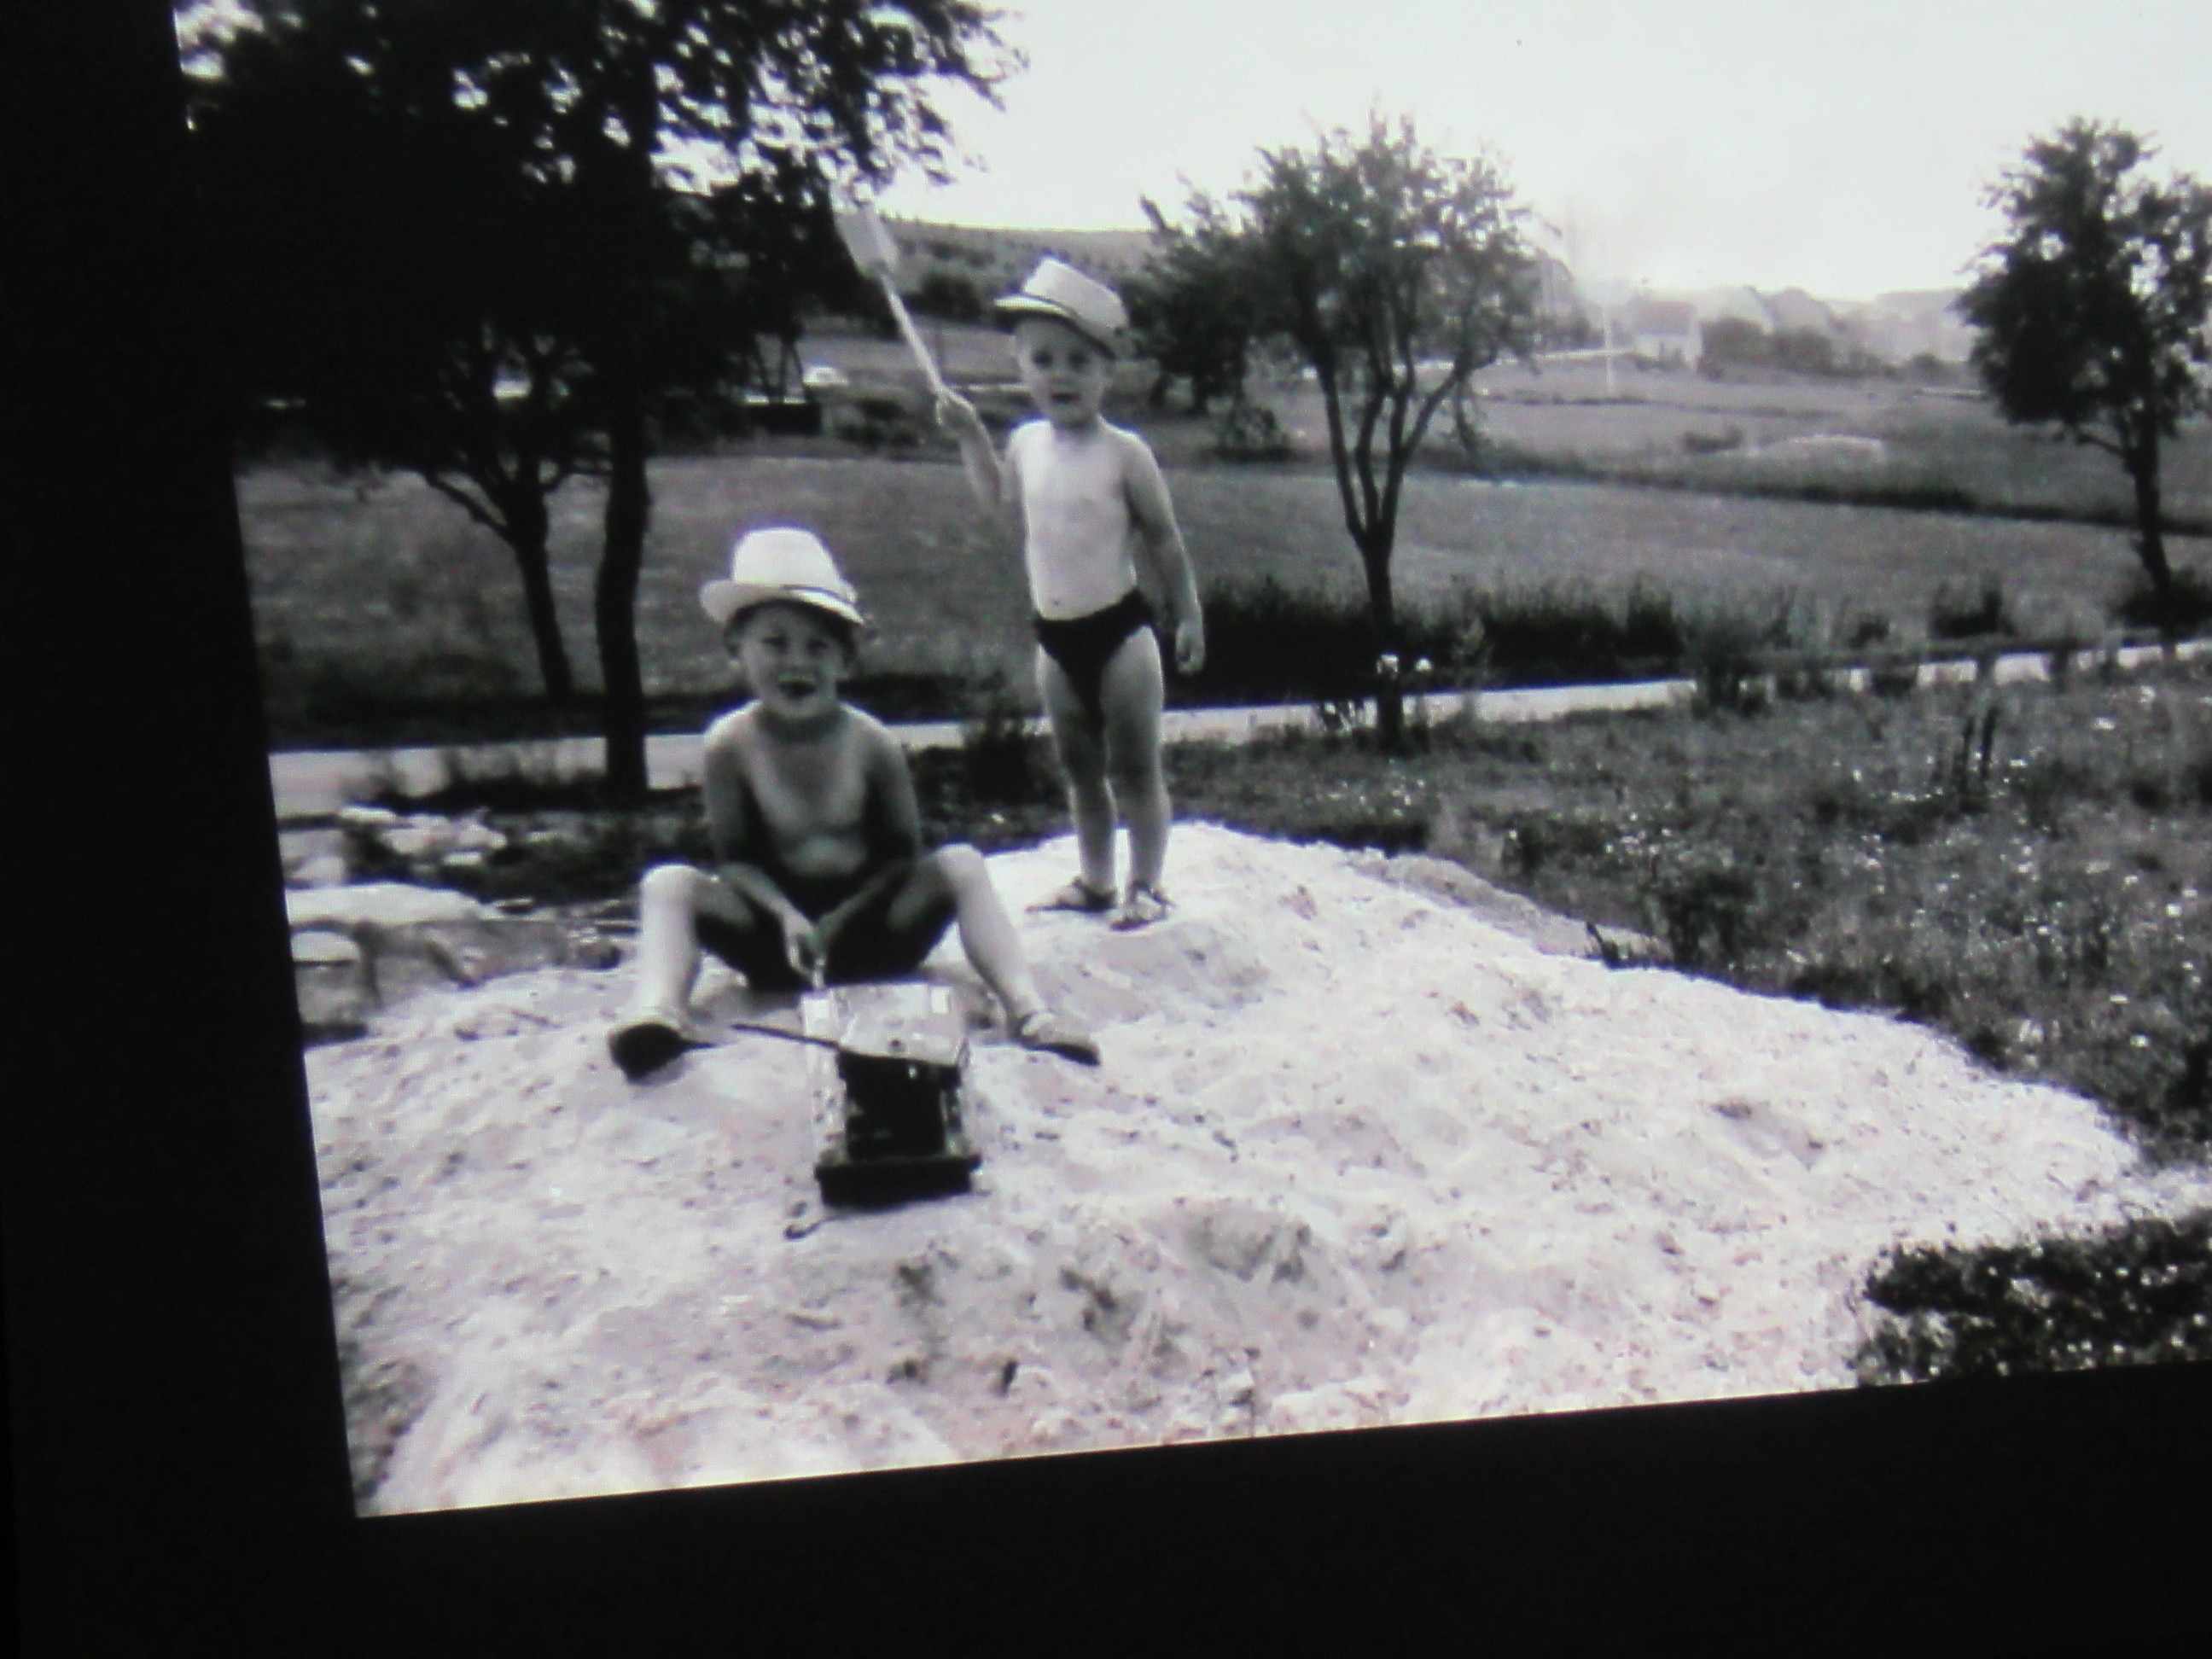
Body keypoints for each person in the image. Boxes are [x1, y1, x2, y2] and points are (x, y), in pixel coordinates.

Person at [606, 527, 1099, 1081]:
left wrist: (841, 919)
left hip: (874, 938)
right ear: (736, 650)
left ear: (846, 660)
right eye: (774, 643)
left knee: (961, 863)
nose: (797, 662)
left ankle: (1029, 1010)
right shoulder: (729, 744)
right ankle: (658, 1012)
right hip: (778, 946)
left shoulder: (871, 744)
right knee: (668, 883)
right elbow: (737, 859)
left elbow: (901, 857)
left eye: (819, 646)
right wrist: (787, 917)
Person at [936, 257, 1205, 930]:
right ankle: (1095, 879)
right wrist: (971, 437)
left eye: (1080, 362)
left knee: (1135, 768)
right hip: (1055, 641)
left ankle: (1146, 885)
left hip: (1120, 635)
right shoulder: (1026, 443)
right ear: (1020, 364)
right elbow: (999, 501)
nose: (1061, 376)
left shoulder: (1125, 453)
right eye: (1044, 360)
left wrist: (1189, 614)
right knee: (1081, 771)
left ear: (1107, 371)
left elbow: (1165, 539)